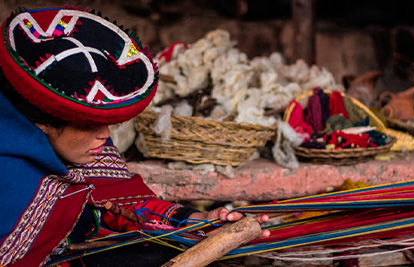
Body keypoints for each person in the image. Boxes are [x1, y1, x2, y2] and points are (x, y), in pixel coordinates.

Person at [0, 6, 268, 267]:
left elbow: (124, 206)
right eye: (90, 124)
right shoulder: (8, 176)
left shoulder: (83, 150)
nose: (105, 136)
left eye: (107, 123)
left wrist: (201, 222)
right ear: (42, 120)